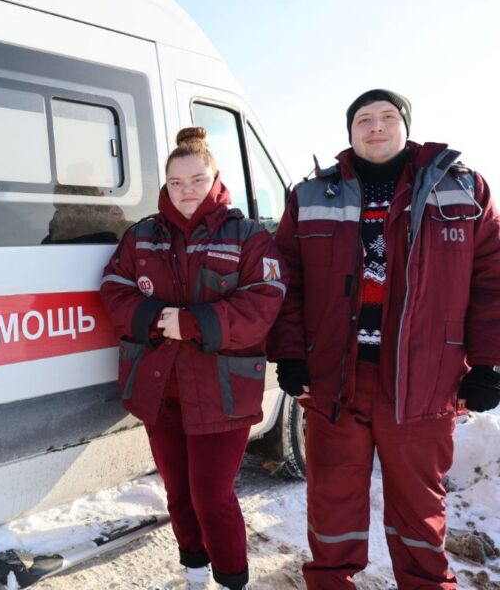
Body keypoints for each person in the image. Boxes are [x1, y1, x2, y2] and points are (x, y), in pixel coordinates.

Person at [269, 89, 500, 589]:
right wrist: (290, 355)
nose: (375, 126)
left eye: (387, 117)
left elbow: (492, 282)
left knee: (419, 512)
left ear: (405, 126)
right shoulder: (311, 195)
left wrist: (489, 365)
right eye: (363, 120)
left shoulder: (462, 189)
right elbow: (287, 282)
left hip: (423, 381)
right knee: (331, 506)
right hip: (336, 381)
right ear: (350, 133)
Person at [100, 127, 285, 590]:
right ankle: (194, 573)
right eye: (176, 182)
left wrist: (194, 323)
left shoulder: (248, 236)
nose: (187, 191)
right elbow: (114, 287)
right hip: (160, 389)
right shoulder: (142, 235)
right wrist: (153, 318)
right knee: (178, 494)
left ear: (215, 178)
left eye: (197, 180)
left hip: (222, 393)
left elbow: (263, 302)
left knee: (212, 497)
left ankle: (233, 581)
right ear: (165, 184)